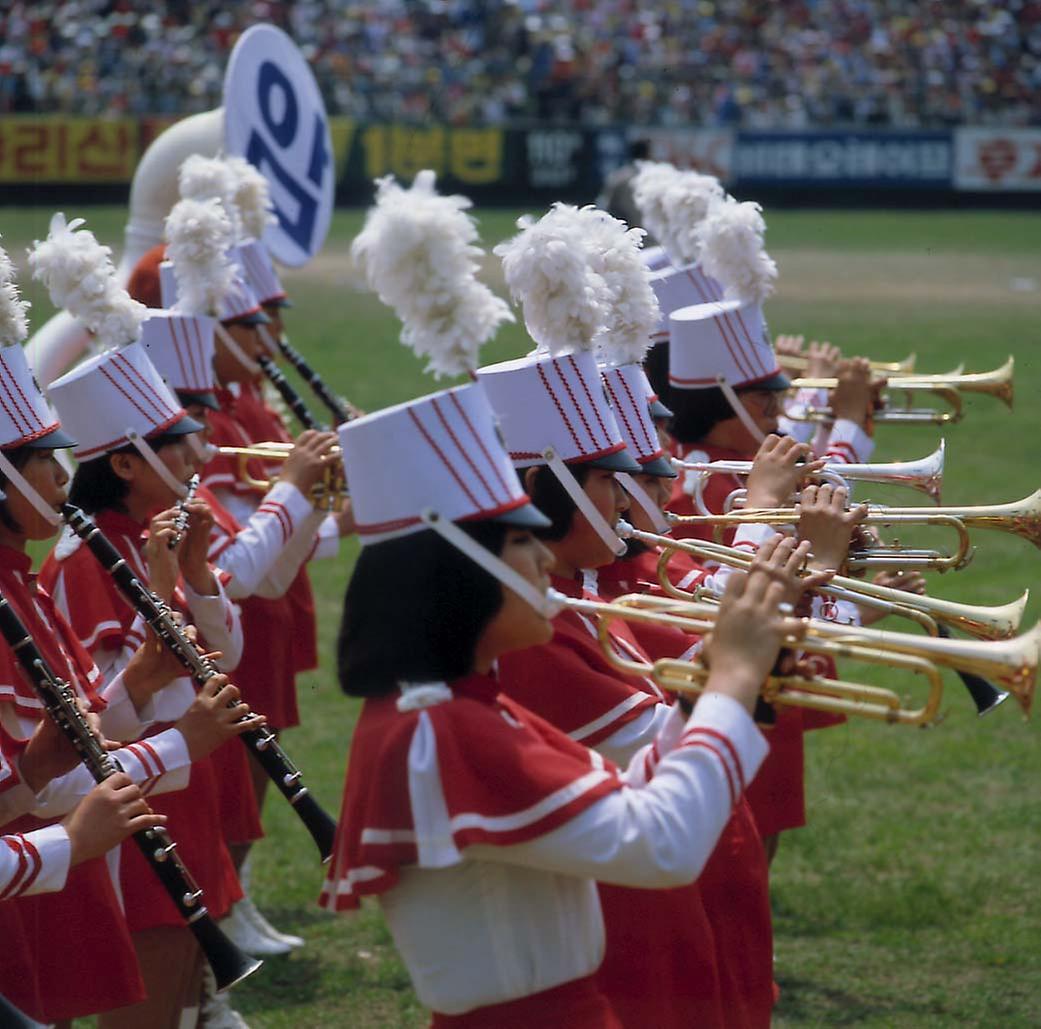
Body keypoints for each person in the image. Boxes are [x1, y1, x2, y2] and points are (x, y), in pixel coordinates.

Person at [321, 378, 808, 1026]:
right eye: (522, 542)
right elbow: (661, 843)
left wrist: (705, 697)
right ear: (464, 573)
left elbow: (623, 794)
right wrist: (731, 682)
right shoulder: (441, 725)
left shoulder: (461, 706)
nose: (544, 555)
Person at [40, 342, 256, 1029]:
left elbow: (223, 654)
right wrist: (163, 589)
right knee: (149, 995)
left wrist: (194, 572)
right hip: (136, 790)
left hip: (183, 773)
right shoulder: (85, 558)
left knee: (183, 983)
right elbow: (106, 711)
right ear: (127, 462)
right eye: (178, 444)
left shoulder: (150, 536)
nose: (200, 457)